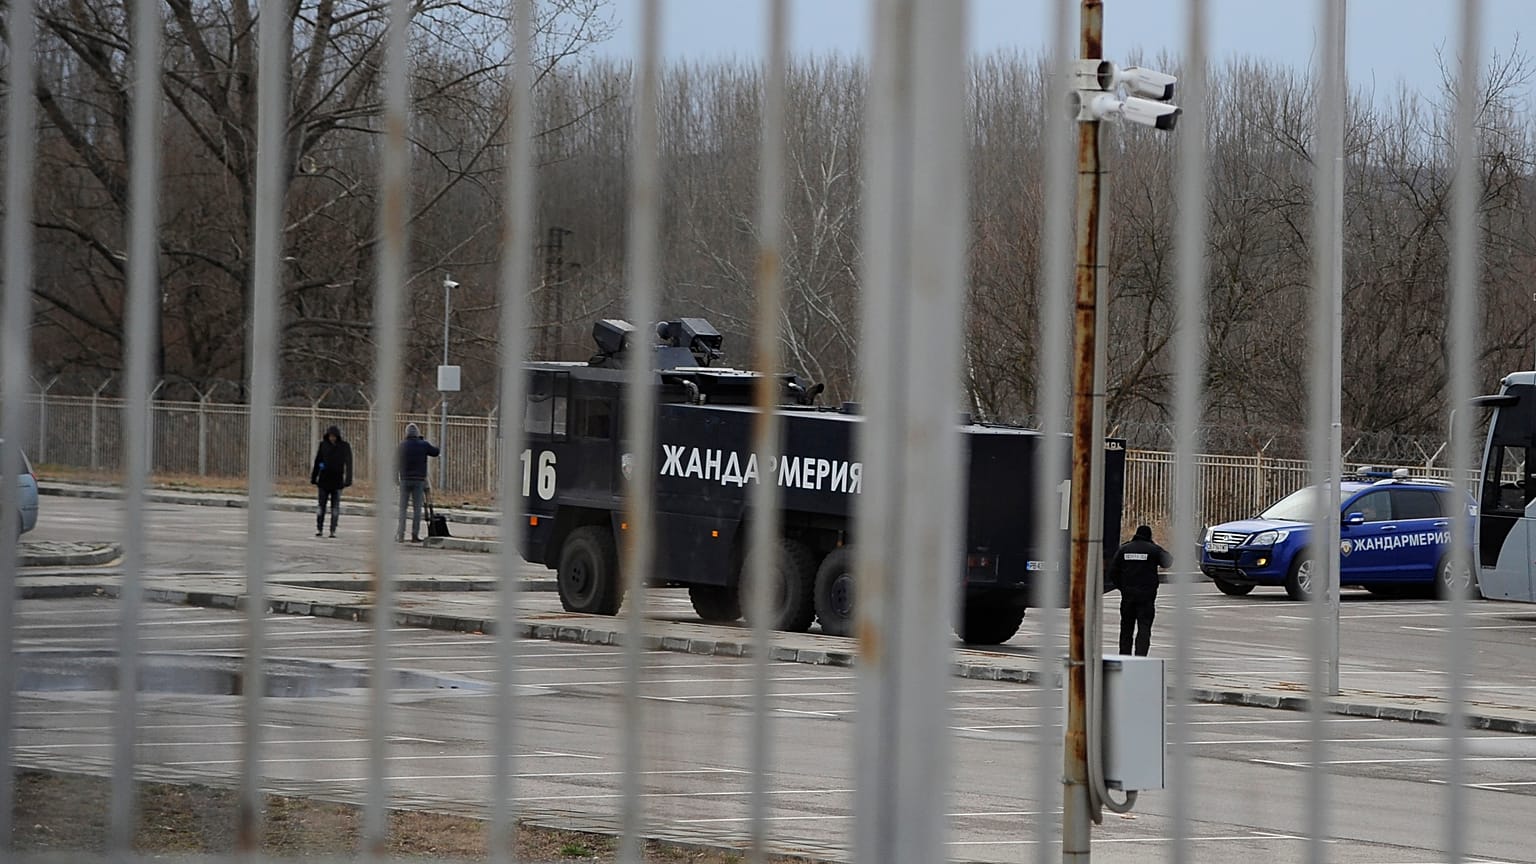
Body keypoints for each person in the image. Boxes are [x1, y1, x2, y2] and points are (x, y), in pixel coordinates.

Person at [1106, 524, 1172, 656]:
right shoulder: (1153, 550)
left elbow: (1112, 572)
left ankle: (1124, 656)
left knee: (1126, 629)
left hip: (1128, 596)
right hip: (1146, 597)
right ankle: (1141, 657)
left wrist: (1123, 587)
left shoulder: (1124, 549)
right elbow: (1168, 561)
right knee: (1144, 628)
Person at [397, 423, 440, 542]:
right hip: (419, 480)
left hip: (405, 479)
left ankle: (400, 534)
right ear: (417, 434)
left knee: (403, 509)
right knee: (417, 509)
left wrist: (396, 478)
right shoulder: (423, 445)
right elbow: (436, 452)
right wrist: (424, 442)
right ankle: (414, 535)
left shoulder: (402, 446)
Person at [309, 425, 353, 538]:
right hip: (324, 481)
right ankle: (319, 528)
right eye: (330, 436)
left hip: (337, 481)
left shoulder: (344, 447)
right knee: (321, 506)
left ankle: (333, 530)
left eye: (334, 436)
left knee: (335, 508)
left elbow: (349, 464)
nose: (332, 438)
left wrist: (348, 479)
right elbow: (319, 461)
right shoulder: (323, 445)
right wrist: (315, 476)